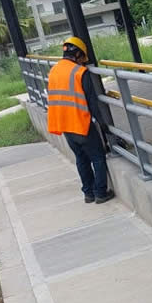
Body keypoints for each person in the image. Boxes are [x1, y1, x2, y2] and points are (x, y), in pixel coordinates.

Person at [47, 37, 115, 204]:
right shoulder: (80, 72)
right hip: (81, 123)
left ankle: (88, 193)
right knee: (98, 156)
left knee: (81, 158)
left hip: (64, 125)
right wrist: (102, 123)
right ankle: (100, 193)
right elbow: (92, 102)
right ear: (77, 54)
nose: (82, 62)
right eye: (81, 58)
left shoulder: (54, 71)